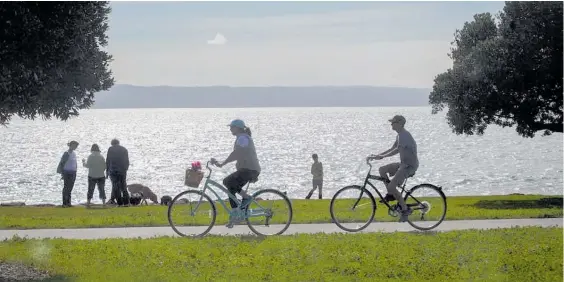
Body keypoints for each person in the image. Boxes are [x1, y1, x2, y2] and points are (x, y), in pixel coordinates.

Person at [367, 115, 419, 222]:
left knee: (391, 185)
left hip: (409, 166)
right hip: (403, 164)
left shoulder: (405, 135)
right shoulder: (399, 135)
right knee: (382, 170)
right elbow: (392, 149)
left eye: (393, 122)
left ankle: (404, 210)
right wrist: (378, 155)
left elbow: (396, 151)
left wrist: (380, 157)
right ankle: (391, 194)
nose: (391, 124)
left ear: (400, 124)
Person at [212, 119, 261, 228]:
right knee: (230, 184)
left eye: (232, 127)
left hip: (250, 169)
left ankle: (244, 201)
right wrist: (221, 163)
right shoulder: (241, 138)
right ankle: (236, 212)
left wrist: (223, 163)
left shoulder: (243, 138)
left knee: (228, 181)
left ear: (237, 128)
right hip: (247, 169)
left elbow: (237, 153)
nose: (230, 129)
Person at [105, 138, 130, 207]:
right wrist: (125, 169)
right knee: (123, 186)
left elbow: (108, 161)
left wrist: (107, 172)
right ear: (118, 142)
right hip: (122, 171)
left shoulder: (110, 149)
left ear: (112, 143)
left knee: (116, 187)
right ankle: (126, 202)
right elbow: (127, 161)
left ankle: (120, 203)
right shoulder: (124, 149)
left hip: (113, 171)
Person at [56, 140, 79, 207]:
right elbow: (62, 163)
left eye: (76, 146)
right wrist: (62, 173)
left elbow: (75, 163)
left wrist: (76, 170)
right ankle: (64, 203)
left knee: (70, 188)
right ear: (71, 145)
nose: (75, 147)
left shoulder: (74, 153)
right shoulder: (66, 153)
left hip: (73, 172)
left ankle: (69, 203)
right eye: (74, 146)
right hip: (67, 172)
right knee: (66, 188)